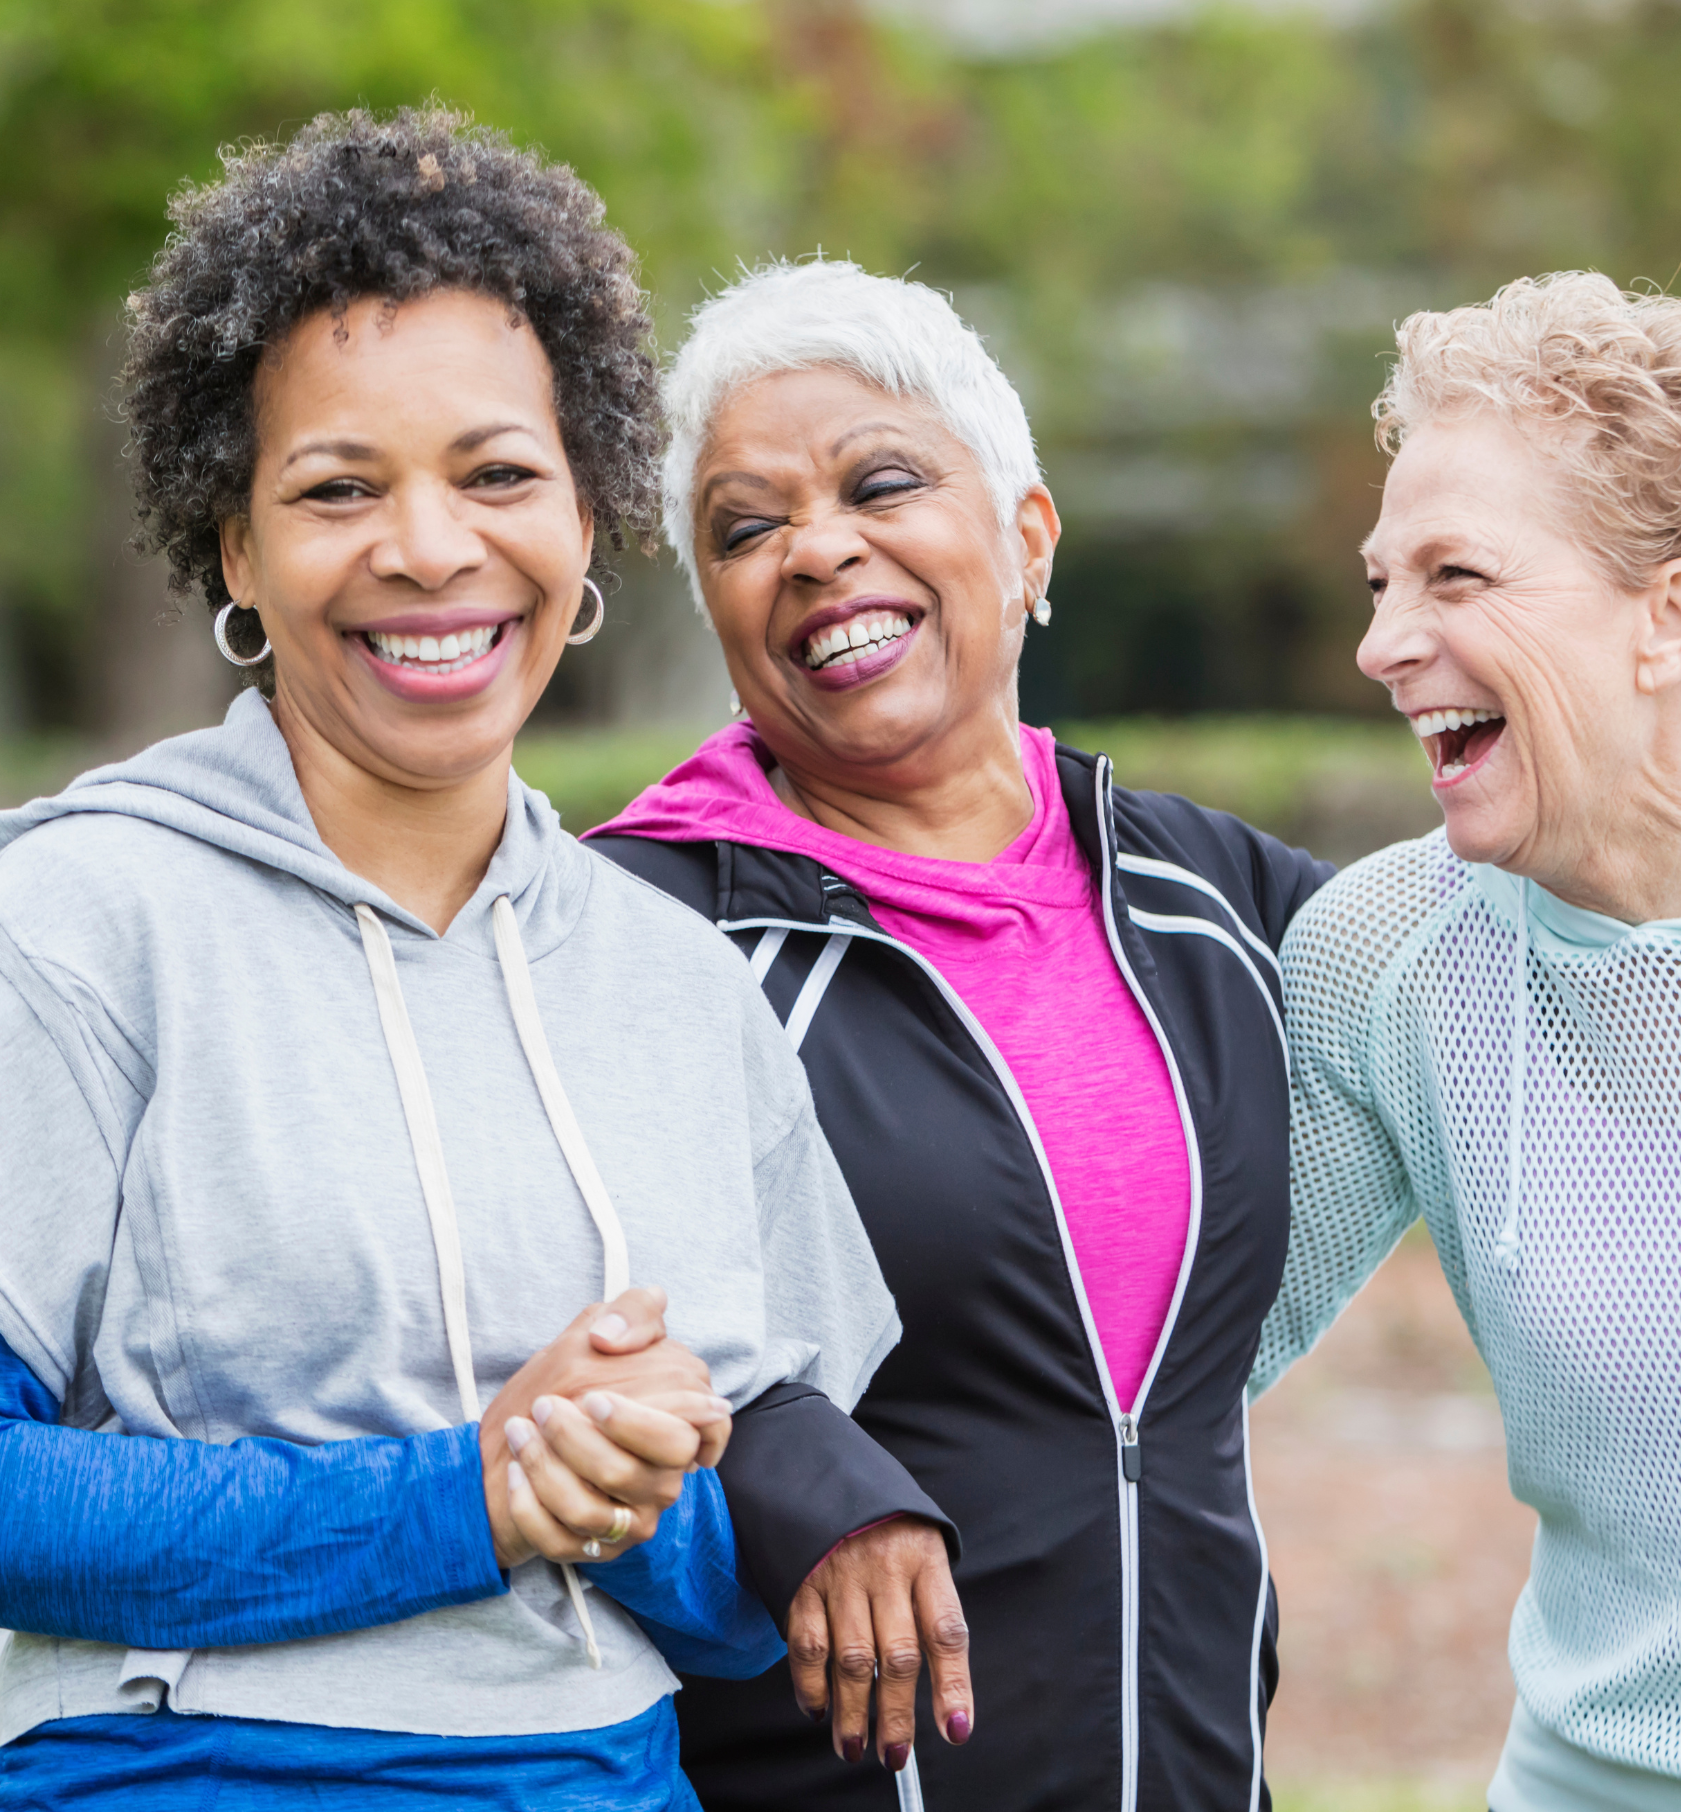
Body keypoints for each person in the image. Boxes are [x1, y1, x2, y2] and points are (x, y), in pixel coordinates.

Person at [0, 113, 903, 1812]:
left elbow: (729, 1588)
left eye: (497, 474)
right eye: (336, 489)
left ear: (588, 516)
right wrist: (476, 1496)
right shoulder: (90, 925)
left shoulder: (676, 987)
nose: (431, 549)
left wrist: (648, 1489)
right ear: (233, 548)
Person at [586, 259, 1332, 1810]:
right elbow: (535, 1298)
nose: (818, 549)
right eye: (746, 527)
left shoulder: (1216, 896)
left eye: (882, 482)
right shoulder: (631, 927)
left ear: (1027, 533)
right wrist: (790, 1460)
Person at [1253, 273, 1681, 1812]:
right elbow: (1163, 1359)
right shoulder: (1384, 955)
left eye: (1455, 577)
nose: (1382, 644)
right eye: (1381, 581)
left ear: (1666, 615)